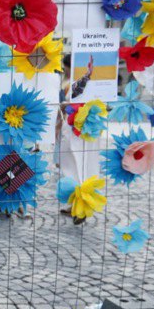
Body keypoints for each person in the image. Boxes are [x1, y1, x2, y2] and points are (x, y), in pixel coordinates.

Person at [57, 54, 100, 225]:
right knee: (82, 163)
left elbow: (65, 105)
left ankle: (80, 205)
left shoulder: (71, 84)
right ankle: (77, 204)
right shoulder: (84, 83)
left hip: (76, 126)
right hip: (85, 127)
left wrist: (63, 106)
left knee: (73, 164)